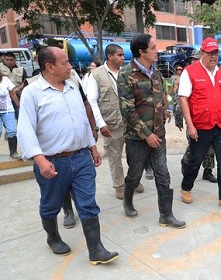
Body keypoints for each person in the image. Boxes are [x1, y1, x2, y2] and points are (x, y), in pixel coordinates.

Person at [17, 46, 118, 265]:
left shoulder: (73, 86)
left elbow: (81, 120)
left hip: (81, 157)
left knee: (88, 203)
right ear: (49, 67)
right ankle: (53, 237)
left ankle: (96, 249)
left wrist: (91, 146)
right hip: (53, 161)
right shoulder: (32, 93)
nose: (70, 66)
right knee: (51, 204)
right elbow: (25, 129)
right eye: (65, 63)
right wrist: (40, 159)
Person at [118, 34, 186, 228]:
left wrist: (164, 109)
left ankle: (166, 215)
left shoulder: (155, 72)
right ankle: (128, 200)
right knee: (135, 174)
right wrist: (147, 135)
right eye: (154, 48)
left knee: (163, 174)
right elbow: (127, 110)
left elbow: (159, 95)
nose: (158, 51)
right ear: (142, 51)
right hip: (137, 137)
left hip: (159, 134)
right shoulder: (126, 74)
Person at [178, 37, 221, 211]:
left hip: (219, 125)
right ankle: (186, 187)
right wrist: (190, 125)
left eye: (216, 53)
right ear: (202, 53)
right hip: (201, 126)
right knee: (196, 160)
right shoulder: (189, 72)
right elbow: (183, 99)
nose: (214, 56)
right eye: (210, 53)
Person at [86, 44, 145, 200]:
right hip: (111, 123)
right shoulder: (96, 75)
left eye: (123, 55)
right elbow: (92, 101)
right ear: (110, 56)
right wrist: (101, 124)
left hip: (130, 122)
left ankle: (134, 180)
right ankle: (119, 186)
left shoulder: (127, 72)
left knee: (135, 154)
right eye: (119, 55)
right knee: (115, 157)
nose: (122, 58)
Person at [174, 50, 217, 183]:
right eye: (192, 59)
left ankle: (208, 170)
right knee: (195, 146)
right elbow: (179, 100)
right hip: (192, 119)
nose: (194, 62)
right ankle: (186, 162)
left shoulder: (211, 75)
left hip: (209, 118)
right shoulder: (188, 76)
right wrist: (179, 119)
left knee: (210, 146)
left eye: (196, 59)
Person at [0, 52, 28, 119]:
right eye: (7, 60)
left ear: (15, 60)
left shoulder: (21, 69)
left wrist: (18, 89)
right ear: (4, 60)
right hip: (4, 97)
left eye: (11, 60)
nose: (9, 61)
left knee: (20, 116)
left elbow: (26, 81)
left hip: (18, 95)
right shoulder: (0, 68)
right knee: (6, 118)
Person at [0, 71, 21, 159]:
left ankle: (13, 152)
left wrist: (19, 106)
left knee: (12, 130)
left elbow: (12, 94)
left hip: (8, 110)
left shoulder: (5, 80)